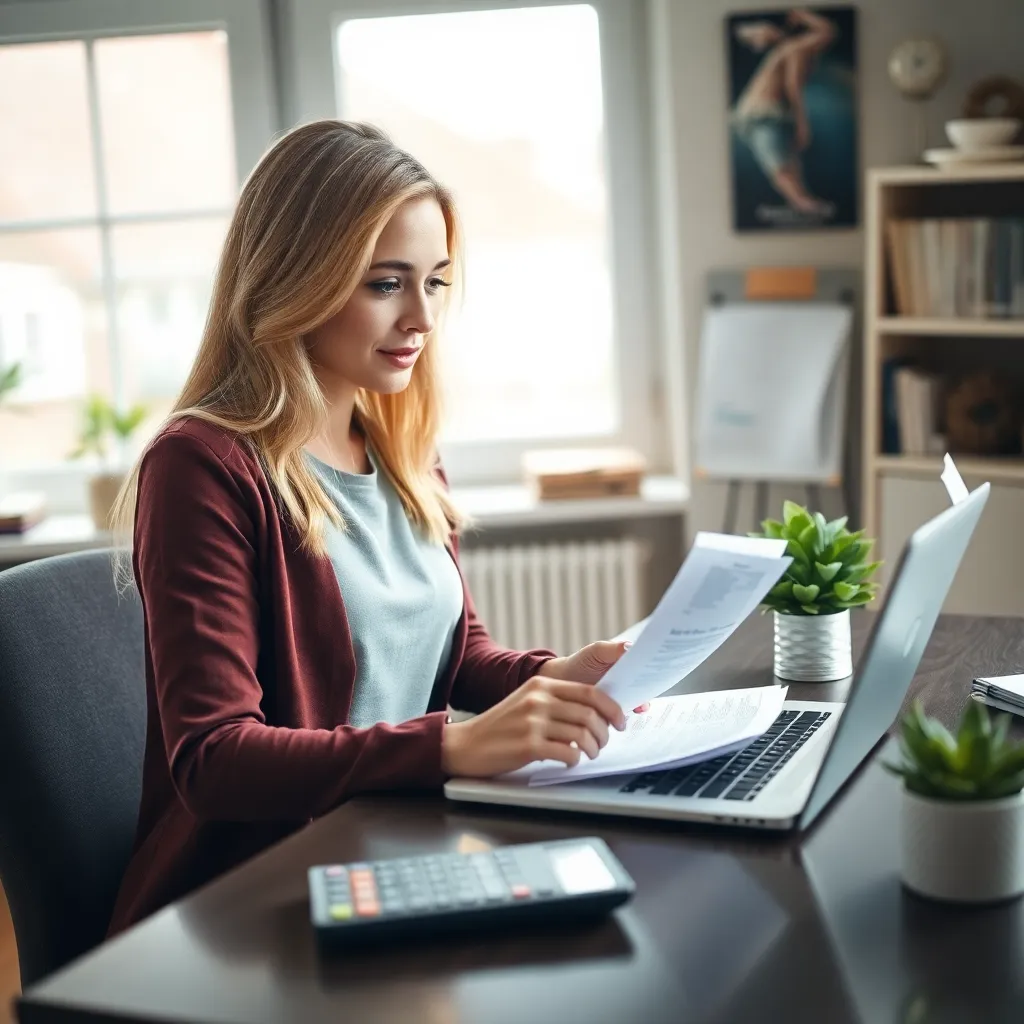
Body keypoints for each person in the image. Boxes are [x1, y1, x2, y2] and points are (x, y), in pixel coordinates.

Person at [106, 119, 636, 935]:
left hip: (393, 846)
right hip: (251, 903)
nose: (421, 317)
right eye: (386, 284)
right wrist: (450, 747)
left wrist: (556, 678)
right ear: (295, 280)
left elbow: (454, 652)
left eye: (436, 282)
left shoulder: (400, 448)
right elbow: (214, 758)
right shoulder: (203, 465)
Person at [731, 8, 837, 216]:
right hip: (760, 114)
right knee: (779, 164)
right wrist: (802, 124)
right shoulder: (793, 50)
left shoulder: (793, 50)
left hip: (770, 114)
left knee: (789, 162)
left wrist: (804, 16)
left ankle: (803, 202)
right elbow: (793, 87)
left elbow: (828, 32)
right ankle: (802, 203)